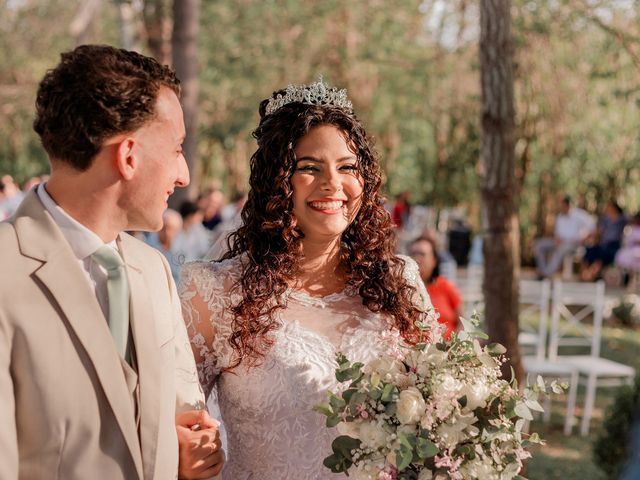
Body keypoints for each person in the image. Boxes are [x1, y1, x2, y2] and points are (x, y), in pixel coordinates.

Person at [179, 79, 442, 478]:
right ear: (276, 182)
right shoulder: (213, 293)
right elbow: (176, 427)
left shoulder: (399, 281)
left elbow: (439, 407)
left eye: (347, 167)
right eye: (309, 168)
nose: (333, 184)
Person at [0, 45, 223, 479]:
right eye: (177, 149)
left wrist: (186, 453)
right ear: (128, 156)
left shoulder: (154, 270)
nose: (184, 177)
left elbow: (175, 417)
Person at [409, 236, 462, 339]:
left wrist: (453, 345)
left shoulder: (446, 286)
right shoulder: (404, 289)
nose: (417, 258)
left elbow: (462, 322)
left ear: (434, 260)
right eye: (413, 253)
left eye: (422, 254)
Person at [533, 196, 594, 279]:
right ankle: (543, 270)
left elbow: (592, 224)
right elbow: (557, 233)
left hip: (573, 243)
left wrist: (584, 235)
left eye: (563, 206)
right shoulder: (560, 217)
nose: (561, 208)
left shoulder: (578, 214)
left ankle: (547, 273)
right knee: (538, 244)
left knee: (561, 249)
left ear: (568, 205)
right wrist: (557, 238)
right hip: (559, 241)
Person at [581, 200, 627, 281]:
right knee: (590, 250)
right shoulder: (605, 219)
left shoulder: (622, 218)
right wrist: (588, 236)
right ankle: (584, 272)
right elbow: (599, 231)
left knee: (602, 255)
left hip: (613, 245)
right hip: (603, 244)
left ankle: (591, 274)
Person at [145, 208, 184, 282]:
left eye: (171, 229)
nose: (167, 232)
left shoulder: (182, 251)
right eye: (164, 228)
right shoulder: (146, 246)